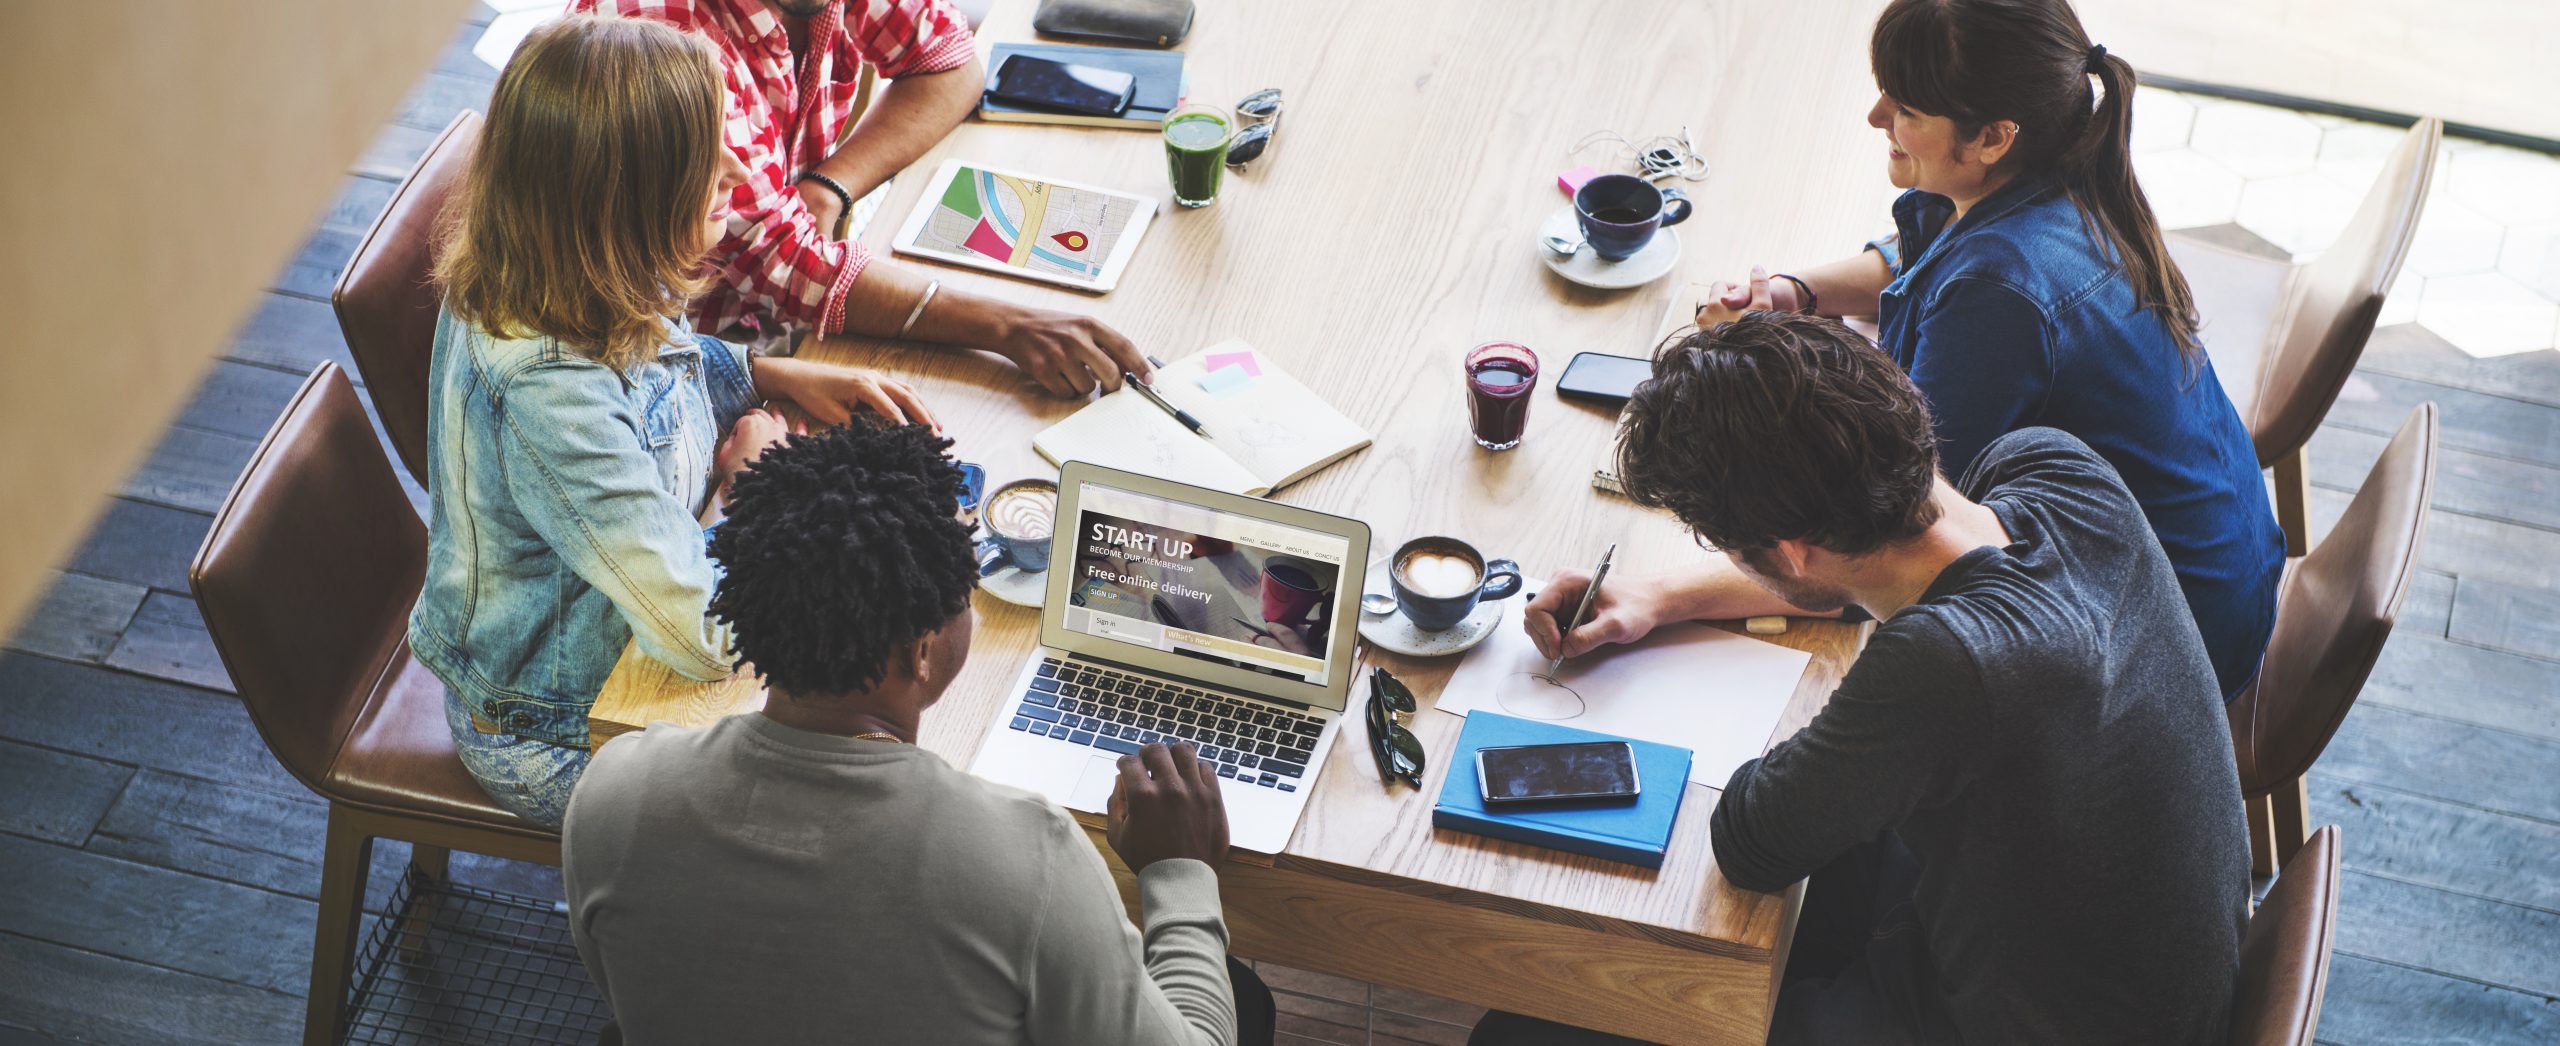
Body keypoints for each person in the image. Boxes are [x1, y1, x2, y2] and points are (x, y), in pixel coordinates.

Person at [1476, 313, 2249, 1044]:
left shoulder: (1949, 664)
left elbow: (1751, 838)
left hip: (2018, 1026)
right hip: (2123, 975)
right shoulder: (2058, 470)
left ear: (1789, 552)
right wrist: (1660, 596)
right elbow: (1876, 576)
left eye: (1729, 547)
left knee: (1527, 1021)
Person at [561, 421, 1276, 1045]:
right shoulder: (1026, 860)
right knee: (1242, 1001)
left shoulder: (615, 793)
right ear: (922, 650)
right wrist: (1179, 871)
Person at [412, 15, 939, 827]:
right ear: (626, 198)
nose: (735, 169)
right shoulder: (550, 391)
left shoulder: (577, 261)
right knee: (854, 808)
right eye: (703, 156)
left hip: (626, 633)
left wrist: (764, 373)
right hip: (559, 729)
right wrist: (748, 486)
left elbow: (661, 362)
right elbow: (708, 635)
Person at [1693, 0, 2280, 701]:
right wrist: (1797, 293)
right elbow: (1928, 254)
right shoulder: (2064, 165)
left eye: (1906, 107)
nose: (1876, 116)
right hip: (2224, 570)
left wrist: (1659, 600)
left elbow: (1883, 543)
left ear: (1993, 138)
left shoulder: (2000, 294)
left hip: (2169, 656)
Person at [578, 0, 1154, 397]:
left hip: (760, 351)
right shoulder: (660, 31)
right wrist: (1008, 328)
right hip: (673, 362)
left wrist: (829, 184)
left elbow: (948, 62)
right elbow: (788, 267)